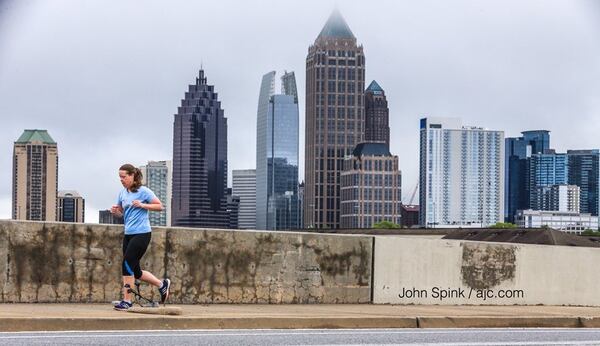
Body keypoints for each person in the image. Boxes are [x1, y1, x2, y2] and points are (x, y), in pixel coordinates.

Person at [110, 163, 171, 311]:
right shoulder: (123, 193)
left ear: (132, 176)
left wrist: (143, 205)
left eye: (124, 177)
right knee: (135, 271)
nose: (121, 180)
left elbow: (159, 206)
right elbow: (121, 213)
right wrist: (115, 211)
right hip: (128, 234)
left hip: (142, 233)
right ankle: (161, 284)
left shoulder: (144, 191)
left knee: (127, 265)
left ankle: (127, 301)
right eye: (120, 177)